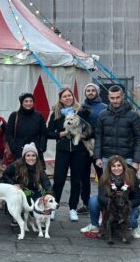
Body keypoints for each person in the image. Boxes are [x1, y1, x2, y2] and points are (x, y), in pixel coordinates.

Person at [47, 87, 92, 222]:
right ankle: (53, 207)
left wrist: (85, 134)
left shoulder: (81, 110)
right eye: (64, 96)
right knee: (59, 179)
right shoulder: (56, 112)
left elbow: (89, 128)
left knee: (76, 180)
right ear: (60, 99)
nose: (68, 98)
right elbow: (48, 131)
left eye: (69, 95)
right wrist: (59, 134)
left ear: (73, 96)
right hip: (63, 150)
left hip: (79, 150)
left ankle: (73, 208)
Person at [80, 155, 140, 239]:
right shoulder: (104, 177)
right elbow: (101, 196)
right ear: (109, 168)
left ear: (123, 166)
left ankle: (135, 227)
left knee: (130, 221)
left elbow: (138, 198)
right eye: (113, 166)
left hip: (127, 205)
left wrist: (126, 204)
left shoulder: (132, 176)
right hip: (111, 204)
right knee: (93, 201)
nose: (116, 168)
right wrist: (113, 203)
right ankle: (94, 225)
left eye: (119, 165)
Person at [1, 143, 52, 226]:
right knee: (19, 197)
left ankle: (37, 215)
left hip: (33, 190)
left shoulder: (39, 167)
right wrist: (13, 184)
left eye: (33, 155)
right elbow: (5, 175)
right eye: (28, 155)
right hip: (19, 190)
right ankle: (17, 215)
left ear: (36, 157)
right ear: (24, 157)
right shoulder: (16, 165)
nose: (31, 158)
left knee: (41, 200)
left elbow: (46, 182)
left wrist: (49, 194)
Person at [94, 85, 140, 170]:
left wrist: (136, 161)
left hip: (127, 158)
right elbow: (98, 137)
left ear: (123, 96)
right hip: (107, 158)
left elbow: (139, 139)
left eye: (118, 97)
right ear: (108, 97)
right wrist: (98, 157)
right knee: (108, 183)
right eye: (112, 98)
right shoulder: (102, 115)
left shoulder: (133, 115)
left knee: (127, 183)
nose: (115, 101)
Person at [78, 83, 107, 214]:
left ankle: (104, 201)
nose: (90, 92)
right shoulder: (81, 107)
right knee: (84, 176)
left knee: (102, 176)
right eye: (88, 90)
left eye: (92, 90)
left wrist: (92, 133)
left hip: (99, 146)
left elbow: (105, 127)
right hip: (84, 146)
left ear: (97, 92)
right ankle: (86, 203)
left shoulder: (105, 108)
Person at [6, 93, 48, 167]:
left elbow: (43, 133)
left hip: (35, 150)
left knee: (36, 175)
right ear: (22, 103)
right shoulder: (14, 115)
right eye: (26, 101)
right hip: (19, 151)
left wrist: (42, 147)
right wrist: (14, 148)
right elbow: (9, 134)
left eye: (31, 101)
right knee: (20, 174)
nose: (28, 103)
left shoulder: (39, 116)